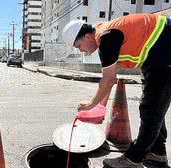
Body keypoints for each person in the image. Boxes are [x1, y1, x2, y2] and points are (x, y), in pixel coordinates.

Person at [62, 13, 171, 168]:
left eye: (78, 46)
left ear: (87, 36)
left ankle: (133, 160)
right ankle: (157, 154)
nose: (81, 51)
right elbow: (108, 79)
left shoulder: (106, 37)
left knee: (152, 110)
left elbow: (108, 79)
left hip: (166, 55)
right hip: (157, 59)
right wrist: (100, 108)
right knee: (153, 108)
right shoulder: (105, 35)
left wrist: (91, 105)